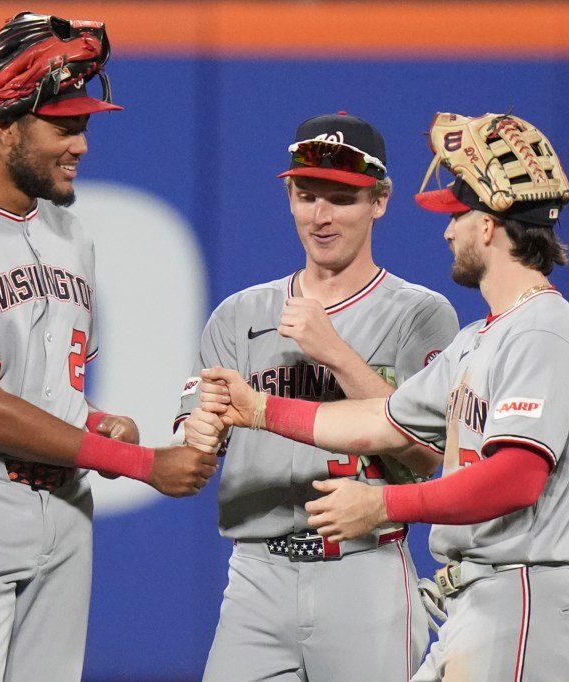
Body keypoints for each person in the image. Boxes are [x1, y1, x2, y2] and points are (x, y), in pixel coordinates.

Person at [195, 112, 569, 681]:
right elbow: (382, 420)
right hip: (480, 601)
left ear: (489, 226)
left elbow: (516, 478)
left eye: (458, 216)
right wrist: (261, 409)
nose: (448, 232)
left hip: (524, 596)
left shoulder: (543, 330)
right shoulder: (479, 339)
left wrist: (382, 505)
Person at [0, 12, 217, 681]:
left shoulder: (70, 233)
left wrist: (96, 422)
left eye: (83, 125)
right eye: (62, 126)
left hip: (64, 507)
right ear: (4, 124)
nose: (81, 145)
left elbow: (44, 391)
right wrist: (139, 461)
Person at [177, 111, 460, 681]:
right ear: (289, 198)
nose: (321, 216)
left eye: (342, 198)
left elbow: (428, 456)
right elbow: (193, 438)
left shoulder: (420, 314)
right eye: (307, 196)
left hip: (364, 570)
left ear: (380, 201)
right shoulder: (239, 314)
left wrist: (337, 354)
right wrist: (197, 432)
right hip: (256, 574)